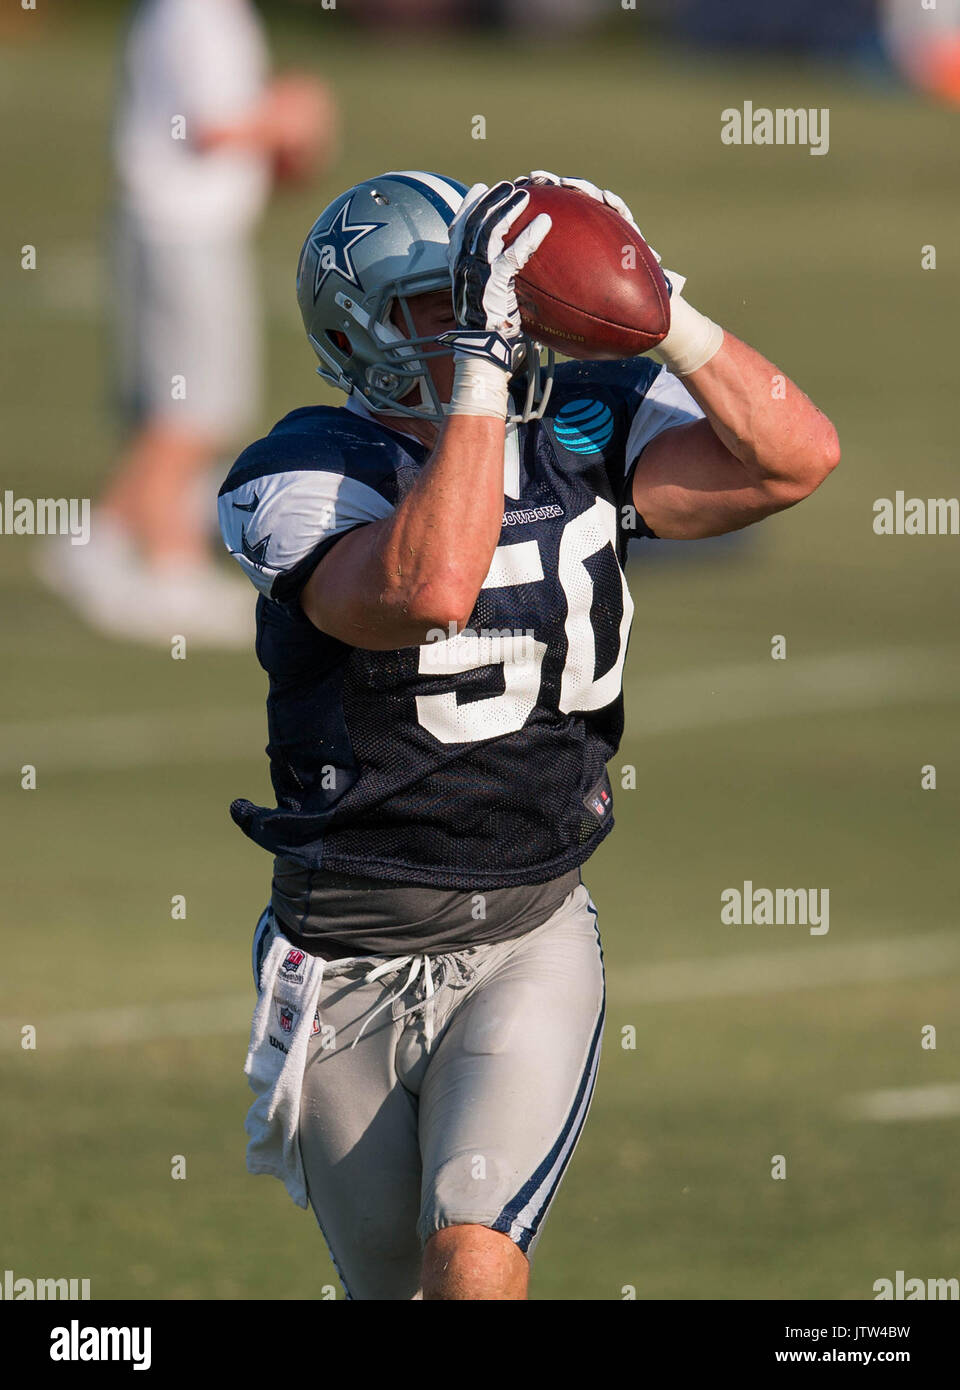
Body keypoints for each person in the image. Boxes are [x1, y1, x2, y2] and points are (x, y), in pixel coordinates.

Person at [218, 170, 839, 1299]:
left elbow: (795, 458)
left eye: (486, 296)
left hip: (527, 928)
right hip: (347, 948)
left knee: (474, 1265)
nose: (475, 323)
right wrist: (482, 378)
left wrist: (665, 312)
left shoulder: (583, 417)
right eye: (433, 303)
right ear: (354, 327)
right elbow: (431, 585)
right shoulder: (301, 473)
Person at [39, 0, 335, 646]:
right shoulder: (196, 15)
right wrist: (289, 112)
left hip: (179, 226)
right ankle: (153, 567)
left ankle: (120, 548)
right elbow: (209, 129)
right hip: (183, 231)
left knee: (177, 410)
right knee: (194, 412)